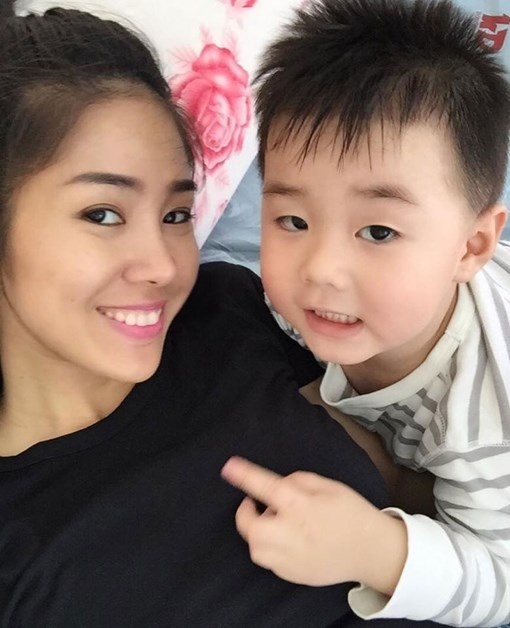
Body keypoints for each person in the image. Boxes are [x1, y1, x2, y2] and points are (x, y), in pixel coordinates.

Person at [0, 4, 445, 627]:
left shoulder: (224, 310)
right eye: (103, 214)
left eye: (176, 215)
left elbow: (417, 489)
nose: (163, 265)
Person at [221, 0, 510, 626]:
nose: (320, 269)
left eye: (378, 231)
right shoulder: (288, 302)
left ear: (470, 247)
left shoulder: (483, 421)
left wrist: (376, 550)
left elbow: (503, 581)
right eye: (292, 220)